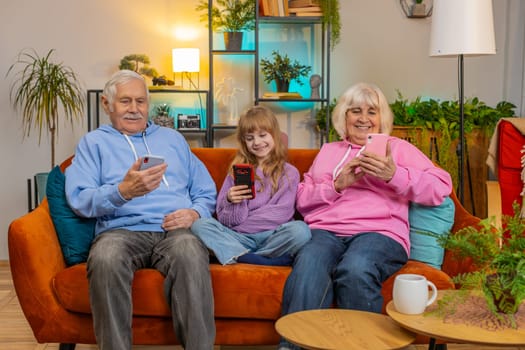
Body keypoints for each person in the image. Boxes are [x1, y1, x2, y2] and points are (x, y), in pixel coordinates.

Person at [278, 82, 453, 350]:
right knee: (309, 264)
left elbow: (441, 186)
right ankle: (291, 347)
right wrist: (338, 184)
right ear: (344, 117)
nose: (363, 119)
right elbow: (302, 200)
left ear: (382, 118)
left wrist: (393, 175)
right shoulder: (329, 152)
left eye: (372, 111)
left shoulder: (398, 149)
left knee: (355, 268)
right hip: (326, 232)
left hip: (379, 234)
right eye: (355, 111)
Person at [65, 70, 217, 350]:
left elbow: (205, 191)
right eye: (125, 101)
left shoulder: (173, 139)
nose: (134, 109)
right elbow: (80, 198)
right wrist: (122, 192)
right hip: (121, 231)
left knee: (190, 251)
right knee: (106, 256)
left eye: (140, 101)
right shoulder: (93, 143)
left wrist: (194, 213)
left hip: (173, 229)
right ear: (106, 104)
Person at [191, 105, 311, 266]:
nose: (257, 142)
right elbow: (225, 220)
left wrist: (245, 221)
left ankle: (240, 255)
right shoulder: (236, 172)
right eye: (250, 138)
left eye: (263, 135)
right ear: (243, 141)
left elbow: (280, 215)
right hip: (239, 238)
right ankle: (261, 258)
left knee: (300, 230)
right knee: (199, 225)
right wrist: (230, 200)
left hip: (273, 236)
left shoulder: (289, 173)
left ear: (274, 135)